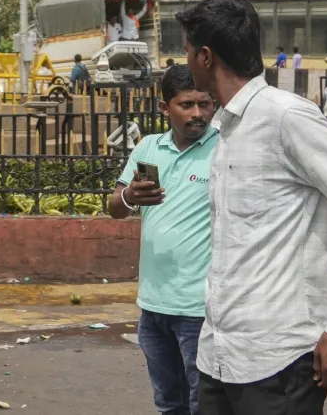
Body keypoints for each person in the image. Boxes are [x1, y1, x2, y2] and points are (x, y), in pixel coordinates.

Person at [176, 0, 327, 415]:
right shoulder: (226, 127)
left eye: (188, 51)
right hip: (219, 358)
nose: (185, 60)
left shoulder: (286, 117)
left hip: (279, 364)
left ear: (206, 56)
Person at [107, 66, 218, 415]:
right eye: (186, 105)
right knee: (169, 403)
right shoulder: (148, 147)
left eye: (205, 104)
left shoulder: (225, 150)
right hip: (153, 305)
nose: (197, 114)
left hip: (200, 307)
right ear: (164, 108)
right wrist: (130, 198)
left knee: (204, 403)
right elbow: (114, 206)